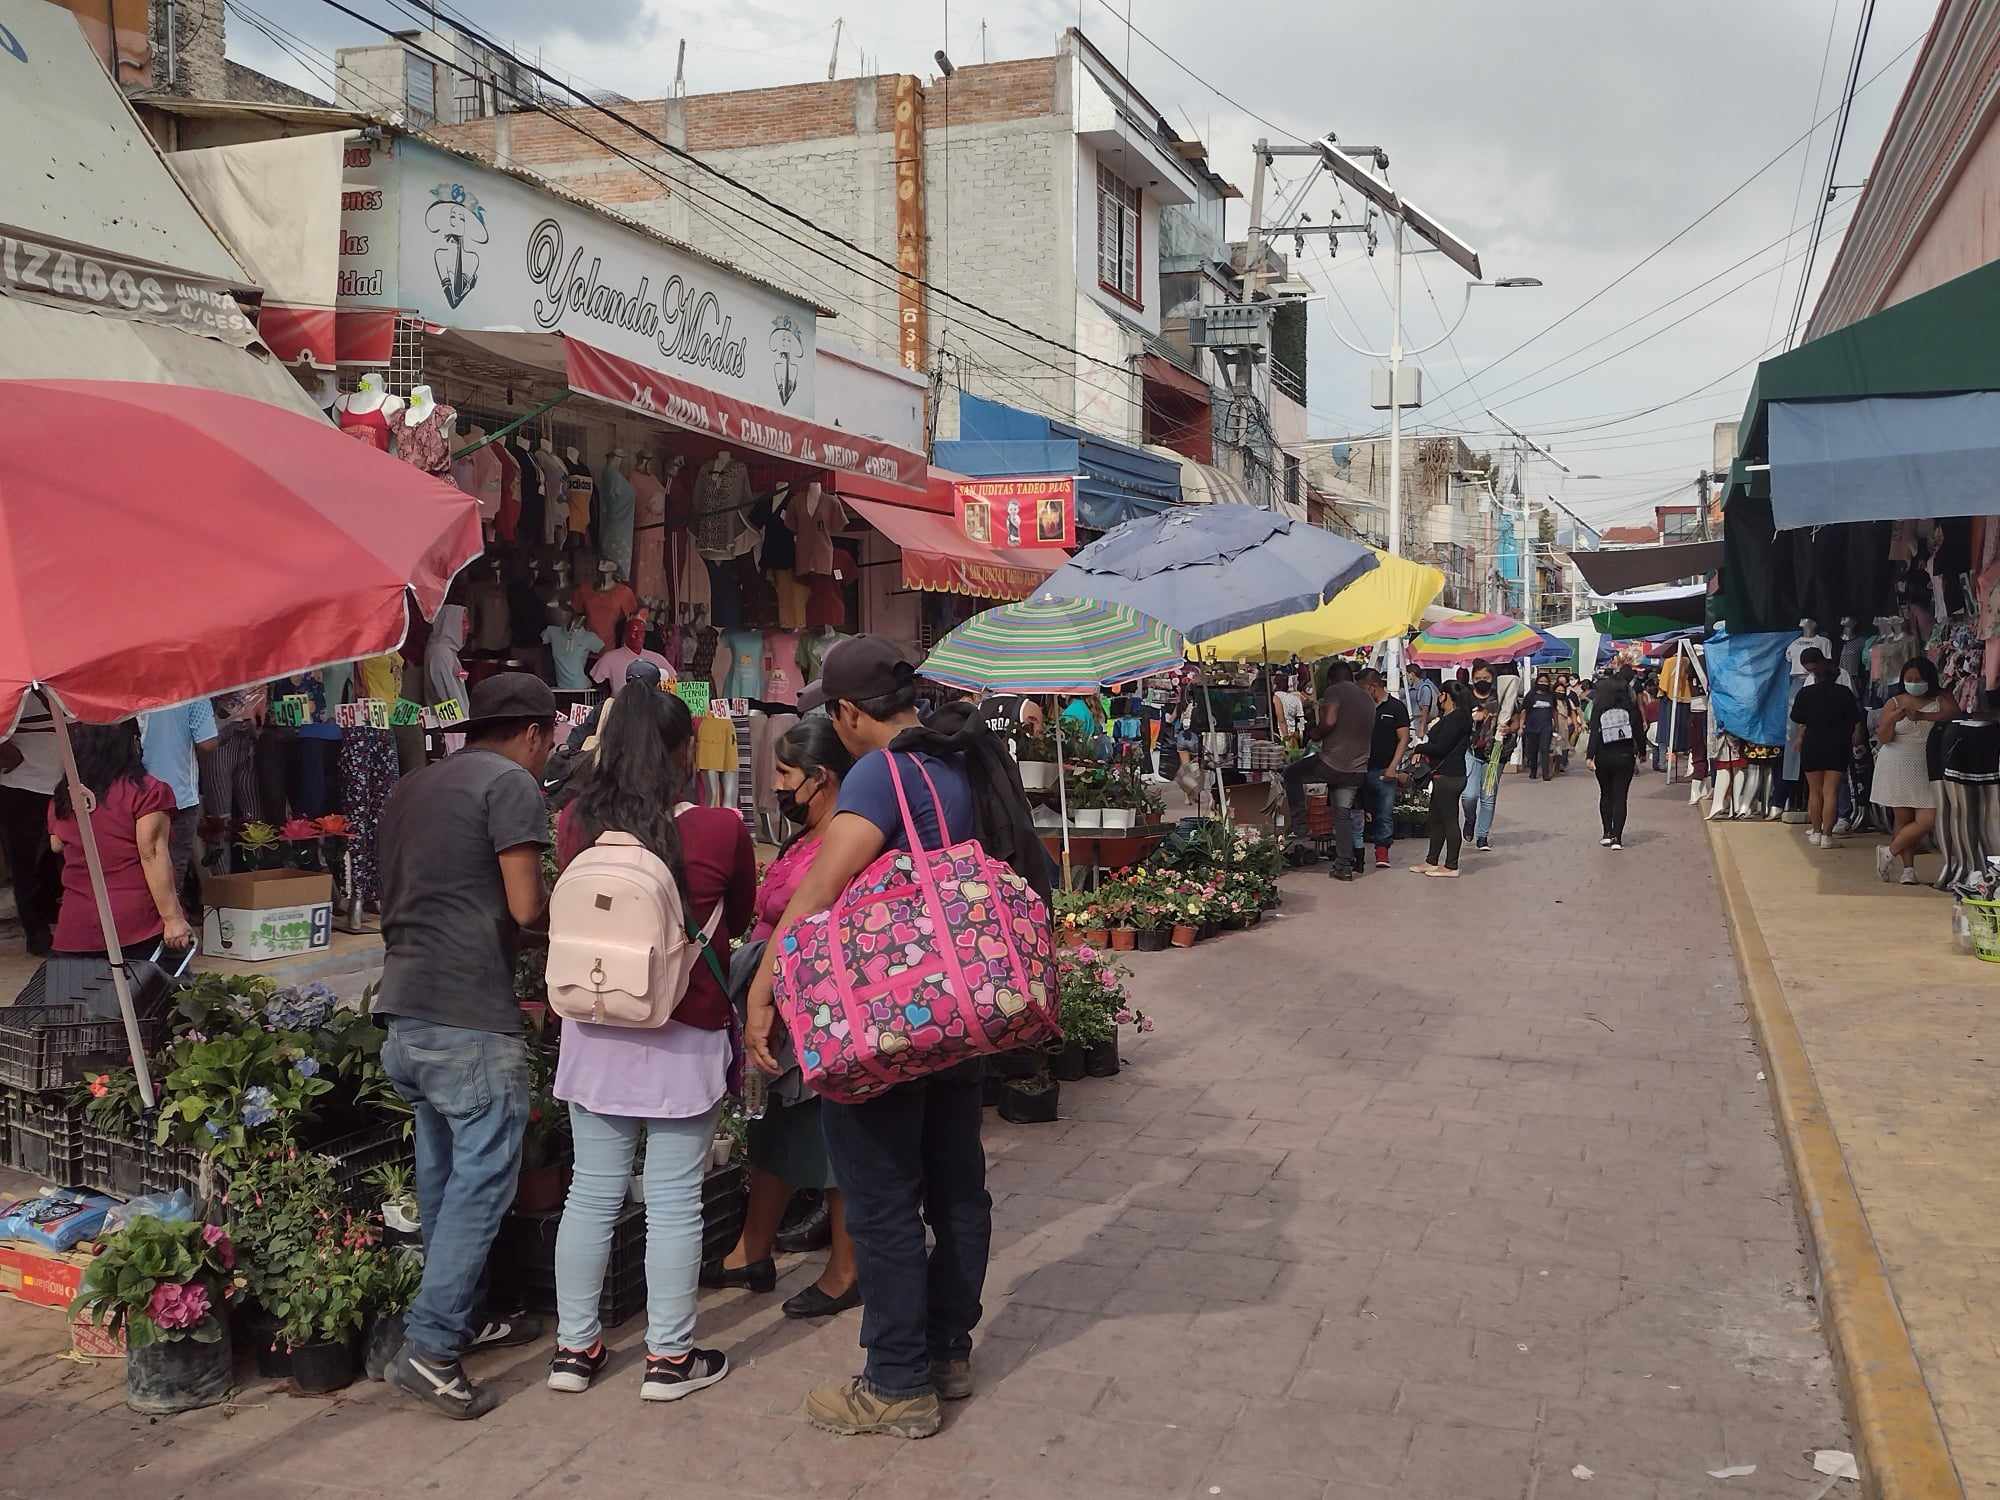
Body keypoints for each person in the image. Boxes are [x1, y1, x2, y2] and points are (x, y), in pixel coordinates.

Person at [745, 636, 1046, 1441]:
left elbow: (818, 887)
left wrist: (764, 989)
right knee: (956, 1186)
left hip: (884, 1014)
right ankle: (947, 1351)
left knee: (881, 1201)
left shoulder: (883, 770)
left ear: (847, 712)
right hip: (954, 1007)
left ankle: (895, 1381)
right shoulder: (961, 758)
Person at [546, 680, 756, 1401]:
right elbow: (744, 915)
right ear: (683, 751)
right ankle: (668, 1362)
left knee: (590, 1194)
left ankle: (574, 1351)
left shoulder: (575, 821)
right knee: (673, 1202)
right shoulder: (721, 828)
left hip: (595, 1027)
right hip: (683, 1033)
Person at [375, 673, 560, 1421]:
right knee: (481, 1186)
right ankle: (431, 1345)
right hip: (467, 1015)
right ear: (533, 734)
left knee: (444, 1183)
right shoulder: (511, 784)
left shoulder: (409, 788)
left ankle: (464, 1314)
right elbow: (525, 904)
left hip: (403, 1009)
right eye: (548, 742)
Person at [705, 718, 861, 1317]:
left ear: (820, 779)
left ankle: (845, 1268)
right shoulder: (807, 835)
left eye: (786, 776)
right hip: (781, 1005)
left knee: (831, 1138)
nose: (777, 788)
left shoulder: (842, 841)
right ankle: (753, 1249)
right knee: (772, 1127)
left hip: (816, 1006)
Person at [47, 722, 192, 955]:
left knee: (81, 991)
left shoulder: (64, 795)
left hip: (77, 922)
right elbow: (152, 853)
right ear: (132, 743)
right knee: (153, 990)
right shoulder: (148, 791)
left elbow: (56, 843)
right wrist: (173, 918)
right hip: (135, 923)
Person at [1873, 654, 1953, 884]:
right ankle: (1908, 869)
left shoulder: (1942, 697)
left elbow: (1953, 715)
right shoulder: (1895, 702)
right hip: (1897, 761)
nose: (1914, 682)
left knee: (1929, 818)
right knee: (1903, 817)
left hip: (1929, 762)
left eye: (1918, 678)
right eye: (1909, 678)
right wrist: (1891, 720)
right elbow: (1884, 738)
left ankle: (1889, 851)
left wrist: (1922, 715)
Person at [0, 701, 65, 955]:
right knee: (25, 864)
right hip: (20, 786)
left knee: (56, 859)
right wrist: (8, 754)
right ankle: (36, 934)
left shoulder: (53, 685)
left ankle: (56, 921)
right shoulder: (14, 686)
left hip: (60, 784)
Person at [139, 699, 220, 898]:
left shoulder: (131, 683)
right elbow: (207, 742)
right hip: (176, 793)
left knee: (137, 870)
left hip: (133, 793)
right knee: (172, 870)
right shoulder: (191, 690)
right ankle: (169, 922)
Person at [1788, 648, 1862, 849]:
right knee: (1831, 791)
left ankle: (1816, 831)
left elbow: (1797, 718)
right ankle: (1827, 837)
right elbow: (1855, 718)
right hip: (1837, 744)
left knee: (1815, 791)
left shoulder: (1805, 693)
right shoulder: (1844, 692)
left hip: (1812, 743)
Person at [1405, 682, 1473, 878]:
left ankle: (1451, 865)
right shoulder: (1450, 717)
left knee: (1449, 820)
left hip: (1450, 775)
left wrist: (1419, 749)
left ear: (1445, 695)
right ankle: (1431, 860)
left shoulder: (1457, 718)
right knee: (1436, 819)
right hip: (1442, 774)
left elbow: (1442, 747)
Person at [1460, 660, 1518, 851]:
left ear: (1492, 678)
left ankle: (1482, 836)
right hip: (1471, 750)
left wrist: (1508, 728)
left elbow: (1516, 720)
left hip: (1495, 752)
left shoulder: (1501, 696)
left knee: (1488, 796)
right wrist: (1471, 718)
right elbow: (1455, 718)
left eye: (1485, 678)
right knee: (1469, 795)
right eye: (1478, 678)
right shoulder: (1465, 696)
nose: (1481, 681)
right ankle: (1470, 819)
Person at [1586, 674, 1646, 849]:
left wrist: (1590, 756)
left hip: (1603, 757)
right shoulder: (1630, 708)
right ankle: (1617, 839)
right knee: (1621, 797)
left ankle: (1607, 833)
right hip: (1625, 756)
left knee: (1606, 795)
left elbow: (1594, 734)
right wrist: (1642, 752)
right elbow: (1639, 733)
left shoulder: (1599, 707)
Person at [1360, 668, 1409, 872]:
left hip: (1384, 770)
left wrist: (1393, 767)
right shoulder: (1362, 708)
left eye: (1362, 689)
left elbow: (1404, 738)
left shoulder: (1396, 707)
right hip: (1360, 768)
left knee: (1384, 812)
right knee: (1359, 810)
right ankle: (1356, 850)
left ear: (1372, 687)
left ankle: (1382, 850)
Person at [1521, 672, 1560, 781]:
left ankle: (1545, 773)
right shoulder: (1531, 695)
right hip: (1531, 726)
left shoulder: (1551, 696)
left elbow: (1554, 711)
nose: (1543, 683)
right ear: (1537, 682)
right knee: (1532, 750)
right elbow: (1524, 711)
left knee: (1545, 749)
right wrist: (1521, 726)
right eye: (1541, 681)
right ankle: (1533, 771)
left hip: (1546, 726)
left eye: (1545, 682)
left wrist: (1556, 725)